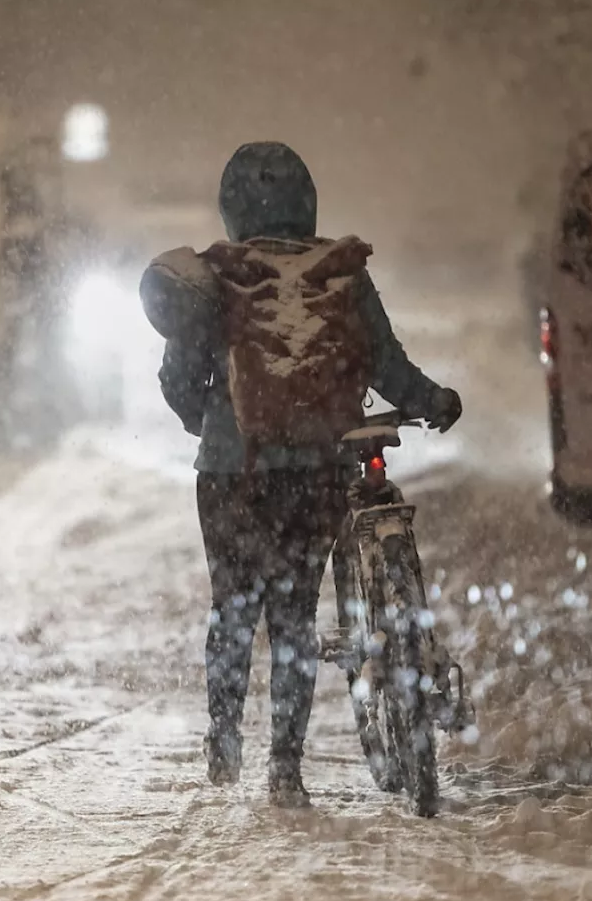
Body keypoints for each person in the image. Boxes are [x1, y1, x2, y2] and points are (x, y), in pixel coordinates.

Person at [139, 142, 462, 808]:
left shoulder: (215, 276)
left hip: (233, 473)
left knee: (233, 608)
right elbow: (388, 366)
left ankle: (225, 738)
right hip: (314, 471)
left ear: (231, 204)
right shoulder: (340, 273)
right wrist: (433, 401)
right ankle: (285, 769)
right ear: (307, 200)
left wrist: (214, 428)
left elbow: (177, 380)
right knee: (291, 619)